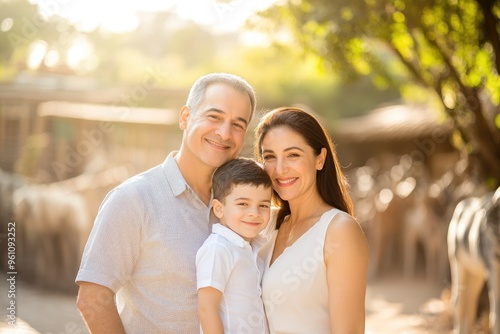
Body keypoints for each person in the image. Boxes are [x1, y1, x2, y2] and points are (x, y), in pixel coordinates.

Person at [75, 73, 256, 333]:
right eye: (214, 117)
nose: (224, 133)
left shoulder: (245, 207)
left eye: (238, 124)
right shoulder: (133, 199)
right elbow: (92, 299)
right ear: (185, 117)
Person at [254, 106, 369, 334]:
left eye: (293, 155)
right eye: (270, 157)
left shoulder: (339, 231)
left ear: (320, 159)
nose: (280, 169)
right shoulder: (266, 223)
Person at [196, 157, 272, 334]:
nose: (254, 213)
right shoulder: (218, 248)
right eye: (243, 204)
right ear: (219, 209)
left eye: (263, 205)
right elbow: (207, 309)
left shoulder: (256, 249)